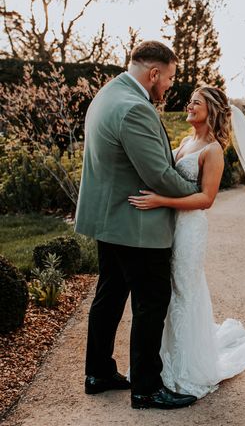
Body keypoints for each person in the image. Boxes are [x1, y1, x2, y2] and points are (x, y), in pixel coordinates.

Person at [75, 41, 199, 410]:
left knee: (110, 295)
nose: (170, 86)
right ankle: (146, 388)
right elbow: (159, 174)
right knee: (151, 302)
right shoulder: (134, 109)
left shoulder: (108, 94)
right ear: (154, 73)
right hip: (136, 225)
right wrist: (194, 191)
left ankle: (98, 371)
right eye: (170, 78)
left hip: (110, 219)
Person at [128, 86, 245, 398]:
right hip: (168, 227)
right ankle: (158, 362)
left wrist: (159, 201)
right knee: (164, 292)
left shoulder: (214, 150)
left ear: (212, 111)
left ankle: (184, 366)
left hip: (189, 229)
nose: (189, 106)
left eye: (196, 103)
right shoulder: (184, 142)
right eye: (190, 101)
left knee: (183, 293)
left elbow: (206, 200)